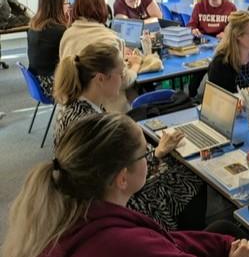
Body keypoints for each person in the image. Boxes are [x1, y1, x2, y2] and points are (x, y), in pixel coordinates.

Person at [1, 112, 249, 257]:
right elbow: (152, 250)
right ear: (122, 177)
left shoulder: (69, 212)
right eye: (145, 153)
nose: (150, 156)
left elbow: (165, 243)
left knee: (224, 230)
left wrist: (226, 246)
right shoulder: (124, 246)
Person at [52, 43, 205, 231]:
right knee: (190, 173)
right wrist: (156, 155)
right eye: (120, 73)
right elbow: (118, 177)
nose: (124, 78)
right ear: (101, 78)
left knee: (174, 163)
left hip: (95, 199)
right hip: (116, 203)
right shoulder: (90, 124)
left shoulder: (78, 107)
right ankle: (182, 237)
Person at [59, 0, 141, 112]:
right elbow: (122, 81)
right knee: (138, 95)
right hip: (106, 110)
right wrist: (135, 65)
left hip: (71, 105)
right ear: (103, 10)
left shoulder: (67, 35)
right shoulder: (110, 38)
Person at [186, 0, 237, 97]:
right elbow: (191, 25)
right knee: (198, 69)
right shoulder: (199, 6)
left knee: (217, 69)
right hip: (203, 45)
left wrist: (227, 33)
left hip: (222, 45)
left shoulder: (230, 7)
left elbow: (236, 27)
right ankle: (191, 96)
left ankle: (215, 94)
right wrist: (193, 30)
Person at [208, 11, 249, 94]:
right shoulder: (220, 63)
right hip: (237, 102)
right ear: (238, 35)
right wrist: (245, 93)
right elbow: (219, 98)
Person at [27, 0, 69, 97]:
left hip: (38, 82)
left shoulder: (34, 26)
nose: (68, 6)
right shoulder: (59, 30)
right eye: (66, 3)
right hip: (52, 85)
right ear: (57, 7)